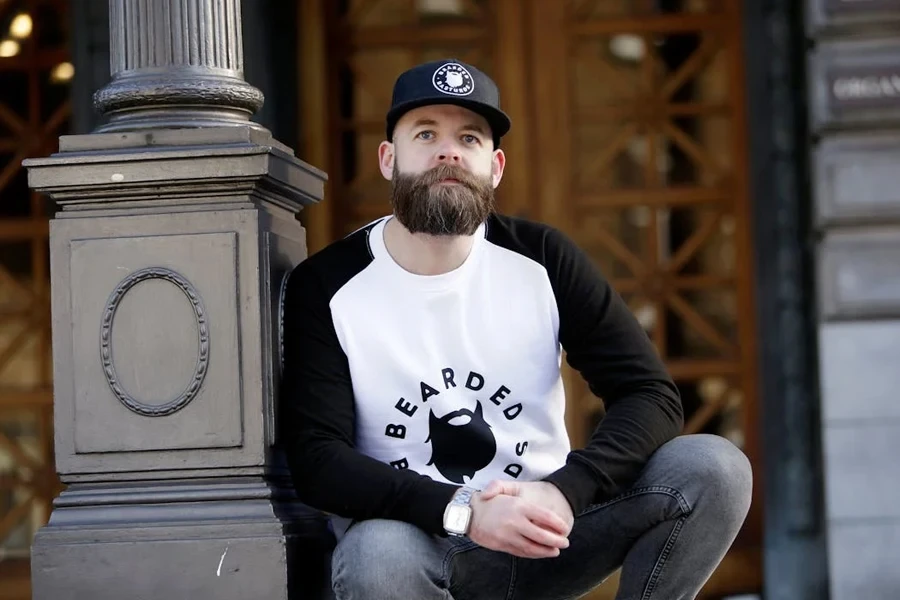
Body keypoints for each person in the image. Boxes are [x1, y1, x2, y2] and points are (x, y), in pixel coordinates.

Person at [279, 58, 752, 600]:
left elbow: (650, 394)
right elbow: (318, 458)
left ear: (495, 166)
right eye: (425, 133)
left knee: (714, 467)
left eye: (470, 138)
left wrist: (563, 493)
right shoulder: (328, 285)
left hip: (547, 535)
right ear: (389, 159)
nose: (448, 151)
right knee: (376, 554)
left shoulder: (542, 259)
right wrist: (464, 513)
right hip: (425, 542)